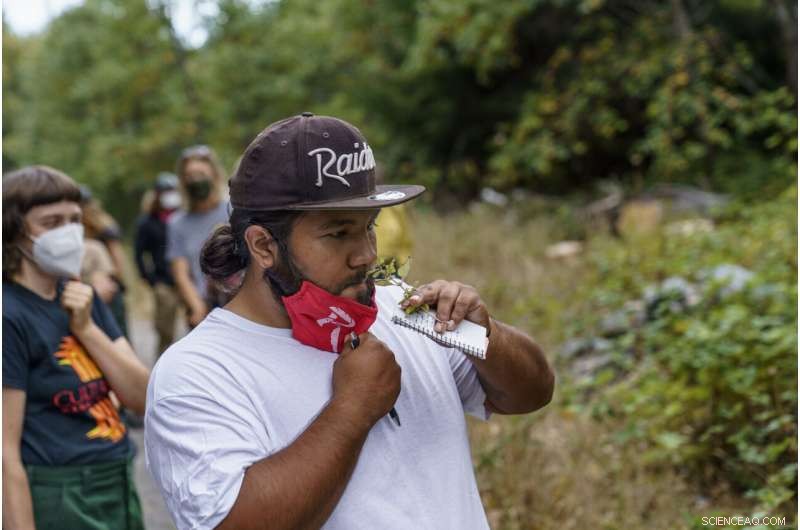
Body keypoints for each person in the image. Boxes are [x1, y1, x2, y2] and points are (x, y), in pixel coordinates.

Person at [144, 113, 555, 530]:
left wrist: (487, 336)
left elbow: (531, 394)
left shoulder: (399, 307)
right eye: (338, 234)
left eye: (368, 228)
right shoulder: (196, 373)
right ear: (263, 245)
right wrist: (352, 409)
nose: (367, 255)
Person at [3, 166, 150, 530]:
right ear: (13, 231)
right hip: (59, 492)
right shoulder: (10, 315)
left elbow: (143, 395)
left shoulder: (82, 297)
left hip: (115, 477)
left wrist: (86, 328)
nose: (67, 233)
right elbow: (5, 453)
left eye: (73, 220)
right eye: (50, 222)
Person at [167, 145, 229, 327]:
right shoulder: (177, 223)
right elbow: (181, 273)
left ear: (214, 175)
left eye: (201, 174)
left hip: (240, 303)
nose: (196, 180)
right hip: (205, 307)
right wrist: (197, 307)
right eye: (190, 176)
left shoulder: (233, 210)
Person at [135, 172, 182, 355]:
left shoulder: (183, 217)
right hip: (164, 282)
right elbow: (139, 254)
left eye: (172, 190)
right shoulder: (147, 222)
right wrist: (150, 279)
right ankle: (162, 367)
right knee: (165, 331)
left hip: (187, 280)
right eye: (165, 191)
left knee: (197, 323)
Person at [80, 186, 129, 336]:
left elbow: (117, 257)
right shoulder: (75, 226)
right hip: (87, 283)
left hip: (107, 282)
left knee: (116, 332)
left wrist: (115, 280)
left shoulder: (104, 226)